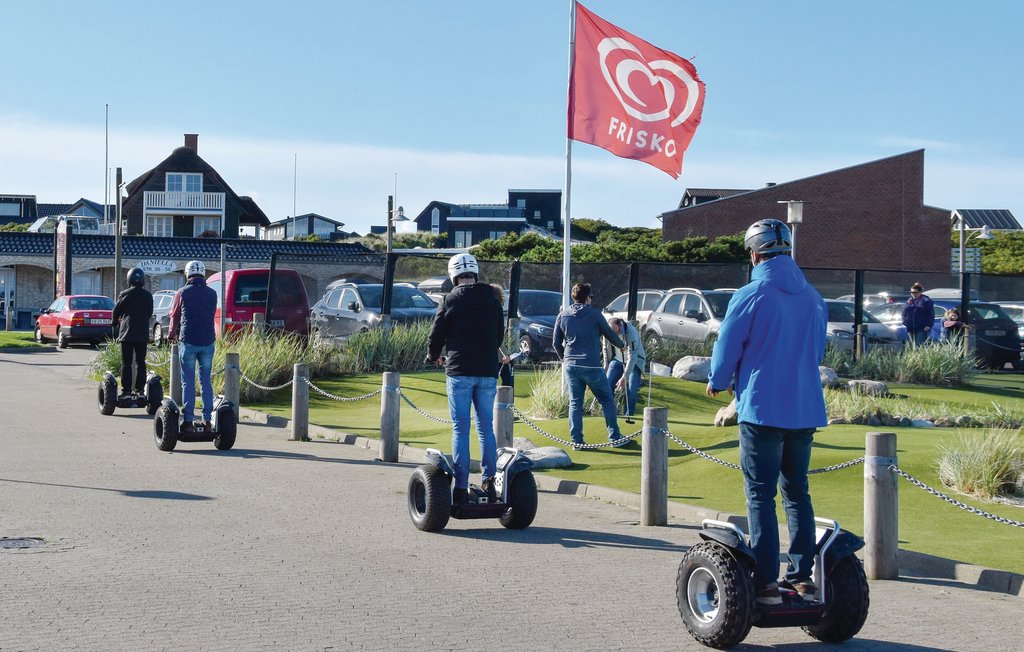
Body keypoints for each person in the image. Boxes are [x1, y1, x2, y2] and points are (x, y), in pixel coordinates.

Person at [706, 218, 828, 606]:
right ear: (787, 250)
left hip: (762, 407)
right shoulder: (813, 297)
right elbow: (817, 352)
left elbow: (728, 343)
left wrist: (718, 379)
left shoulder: (752, 293)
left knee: (760, 495)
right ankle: (802, 577)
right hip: (804, 406)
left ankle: (765, 583)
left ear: (755, 254)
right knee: (797, 492)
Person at [427, 253, 505, 505]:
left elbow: (437, 333)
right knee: (486, 429)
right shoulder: (492, 299)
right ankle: (489, 482)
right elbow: (499, 335)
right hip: (487, 371)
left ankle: (460, 487)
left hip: (459, 371)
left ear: (453, 276)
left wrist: (433, 355)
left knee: (461, 429)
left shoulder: (450, 299)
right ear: (475, 273)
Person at [553, 283, 628, 450]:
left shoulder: (563, 315)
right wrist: (621, 345)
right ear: (587, 297)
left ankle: (577, 441)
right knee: (607, 399)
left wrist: (564, 359)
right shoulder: (595, 314)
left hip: (571, 365)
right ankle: (615, 437)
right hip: (592, 365)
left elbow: (555, 343)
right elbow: (609, 334)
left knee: (575, 403)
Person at [168, 260, 217, 432]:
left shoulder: (181, 292)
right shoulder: (212, 293)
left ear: (187, 274)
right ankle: (207, 420)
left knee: (187, 381)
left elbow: (174, 316)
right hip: (208, 341)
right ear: (203, 274)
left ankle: (188, 420)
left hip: (188, 340)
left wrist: (171, 335)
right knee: (205, 380)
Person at [111, 267, 154, 396]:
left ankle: (126, 390)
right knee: (140, 362)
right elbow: (149, 313)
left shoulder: (124, 294)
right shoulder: (148, 295)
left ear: (129, 279)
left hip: (127, 334)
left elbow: (116, 310)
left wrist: (114, 323)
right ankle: (140, 390)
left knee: (126, 363)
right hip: (142, 334)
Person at [604, 316, 646, 418]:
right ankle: (609, 413)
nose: (612, 333)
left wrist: (624, 377)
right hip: (617, 361)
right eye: (611, 330)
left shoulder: (631, 332)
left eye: (614, 330)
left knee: (631, 389)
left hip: (633, 363)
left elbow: (632, 357)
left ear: (620, 325)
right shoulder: (608, 331)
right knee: (608, 385)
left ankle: (629, 414)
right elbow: (605, 349)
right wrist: (606, 365)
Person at [902, 282, 935, 346]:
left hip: (921, 328)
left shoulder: (926, 301)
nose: (913, 294)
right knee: (912, 346)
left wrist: (928, 325)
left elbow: (931, 314)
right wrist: (904, 322)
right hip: (910, 327)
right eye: (912, 292)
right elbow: (904, 312)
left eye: (915, 292)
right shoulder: (909, 301)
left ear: (920, 292)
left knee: (919, 345)